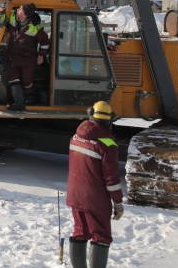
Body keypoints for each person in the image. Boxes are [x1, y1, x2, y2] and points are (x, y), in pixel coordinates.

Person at [66, 101, 124, 268]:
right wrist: (118, 203)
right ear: (109, 121)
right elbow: (112, 179)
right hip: (95, 198)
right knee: (101, 236)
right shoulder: (107, 144)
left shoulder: (76, 137)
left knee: (80, 232)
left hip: (76, 195)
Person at [5, 2, 50, 111]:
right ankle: (19, 104)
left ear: (25, 15)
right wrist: (0, 12)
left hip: (27, 59)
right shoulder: (12, 16)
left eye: (20, 9)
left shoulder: (36, 27)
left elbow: (45, 42)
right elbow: (2, 20)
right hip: (12, 56)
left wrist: (41, 56)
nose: (17, 10)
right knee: (12, 78)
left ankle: (24, 99)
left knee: (26, 82)